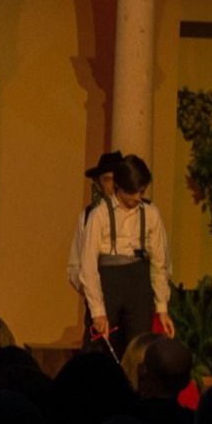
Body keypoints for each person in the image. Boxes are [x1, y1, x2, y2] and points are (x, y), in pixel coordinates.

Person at [78, 154, 173, 358]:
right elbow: (88, 266)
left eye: (141, 191)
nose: (137, 197)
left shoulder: (150, 213)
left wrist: (162, 308)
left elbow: (159, 263)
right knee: (100, 350)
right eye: (132, 192)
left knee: (139, 348)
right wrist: (98, 311)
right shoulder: (99, 215)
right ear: (119, 187)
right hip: (109, 282)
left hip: (138, 281)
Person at [66, 150, 123, 321]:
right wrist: (91, 291)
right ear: (99, 182)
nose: (112, 185)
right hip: (96, 307)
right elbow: (75, 265)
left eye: (116, 179)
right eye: (107, 179)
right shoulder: (88, 216)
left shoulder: (140, 214)